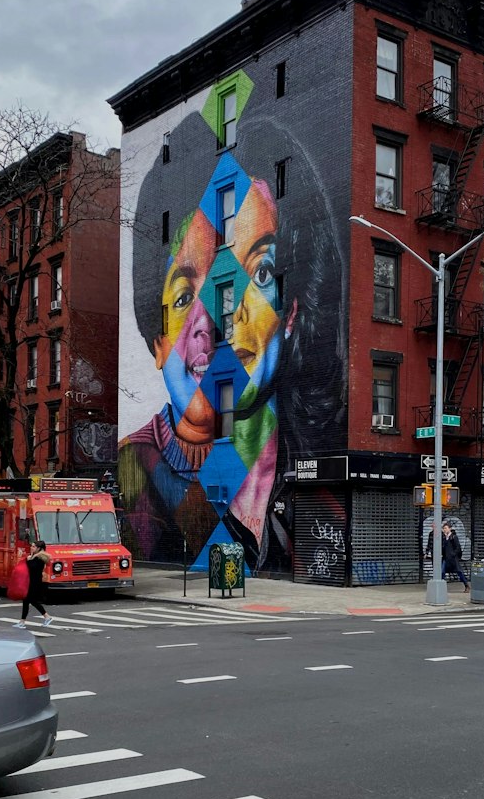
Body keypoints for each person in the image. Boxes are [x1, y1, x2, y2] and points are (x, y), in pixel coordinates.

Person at [118, 105, 346, 573]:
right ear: (157, 340)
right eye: (184, 295)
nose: (215, 322)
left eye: (259, 272)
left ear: (291, 311)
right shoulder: (138, 470)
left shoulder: (321, 485)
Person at [15, 539, 54, 628]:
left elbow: (33, 567)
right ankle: (22, 621)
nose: (31, 548)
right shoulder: (35, 556)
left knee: (31, 600)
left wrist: (28, 560)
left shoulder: (40, 557)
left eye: (33, 546)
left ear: (39, 548)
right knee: (28, 600)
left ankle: (46, 617)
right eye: (31, 546)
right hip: (31, 581)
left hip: (34, 582)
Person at [427, 523, 470, 590]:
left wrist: (453, 554)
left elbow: (458, 548)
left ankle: (466, 585)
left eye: (446, 528)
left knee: (459, 572)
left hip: (453, 558)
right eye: (444, 528)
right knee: (442, 571)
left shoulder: (453, 537)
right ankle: (441, 588)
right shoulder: (444, 537)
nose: (444, 530)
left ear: (450, 528)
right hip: (445, 558)